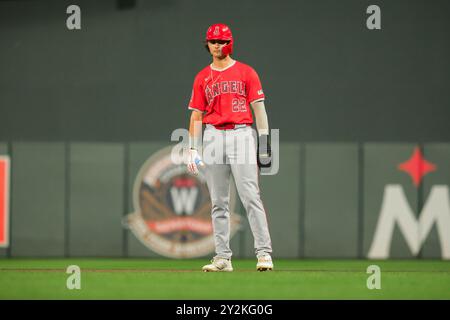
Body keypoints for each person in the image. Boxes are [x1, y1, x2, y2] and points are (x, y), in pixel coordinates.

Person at [187, 23, 273, 272]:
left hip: (241, 133)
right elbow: (196, 116)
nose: (218, 45)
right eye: (213, 41)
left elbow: (259, 110)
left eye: (222, 41)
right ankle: (223, 257)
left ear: (230, 43)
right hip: (213, 136)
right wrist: (192, 148)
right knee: (218, 202)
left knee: (250, 196)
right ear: (208, 44)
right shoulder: (202, 77)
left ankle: (264, 253)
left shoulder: (246, 72)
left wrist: (265, 143)